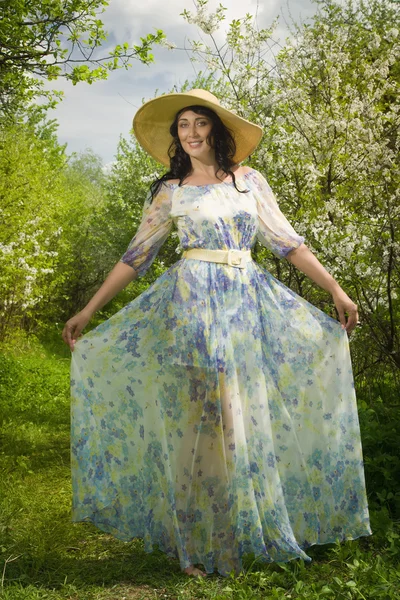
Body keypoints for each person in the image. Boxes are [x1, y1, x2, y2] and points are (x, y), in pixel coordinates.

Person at [62, 89, 372, 578]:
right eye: (182, 125)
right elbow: (134, 257)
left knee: (240, 418)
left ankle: (247, 530)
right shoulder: (170, 192)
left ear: (216, 130)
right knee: (201, 424)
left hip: (243, 306)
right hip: (191, 307)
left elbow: (288, 244)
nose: (190, 133)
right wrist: (88, 309)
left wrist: (336, 289)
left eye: (199, 123)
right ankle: (200, 544)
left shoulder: (250, 183)